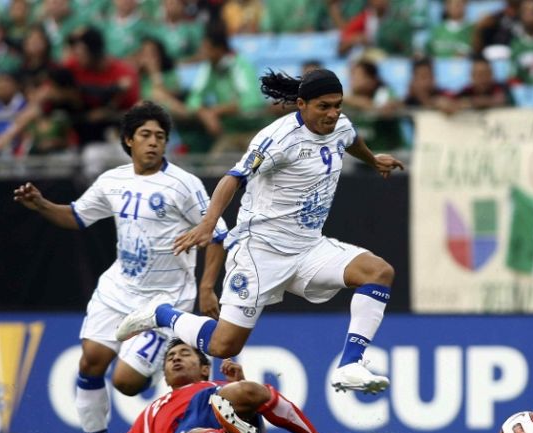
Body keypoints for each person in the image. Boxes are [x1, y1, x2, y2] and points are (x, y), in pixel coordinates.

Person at [116, 68, 405, 394]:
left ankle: (350, 365)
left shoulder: (340, 125)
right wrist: (209, 222)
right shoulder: (277, 140)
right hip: (260, 252)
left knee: (378, 272)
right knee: (223, 345)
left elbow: (351, 140)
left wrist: (373, 160)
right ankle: (161, 313)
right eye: (324, 106)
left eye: (337, 105)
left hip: (308, 248)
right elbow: (233, 177)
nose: (333, 113)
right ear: (301, 105)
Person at [12, 101, 228, 433]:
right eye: (145, 135)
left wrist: (207, 288)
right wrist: (41, 205)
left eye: (160, 136)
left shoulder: (183, 185)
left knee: (126, 383)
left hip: (164, 301)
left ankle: (158, 367)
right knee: (90, 362)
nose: (154, 142)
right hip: (117, 290)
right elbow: (77, 217)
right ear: (128, 140)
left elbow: (218, 234)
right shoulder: (112, 181)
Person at [19, 339, 370, 433]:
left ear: (205, 366)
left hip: (221, 413)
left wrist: (239, 386)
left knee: (252, 391)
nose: (174, 359)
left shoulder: (215, 385)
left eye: (184, 353)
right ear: (165, 375)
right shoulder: (149, 414)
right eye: (170, 357)